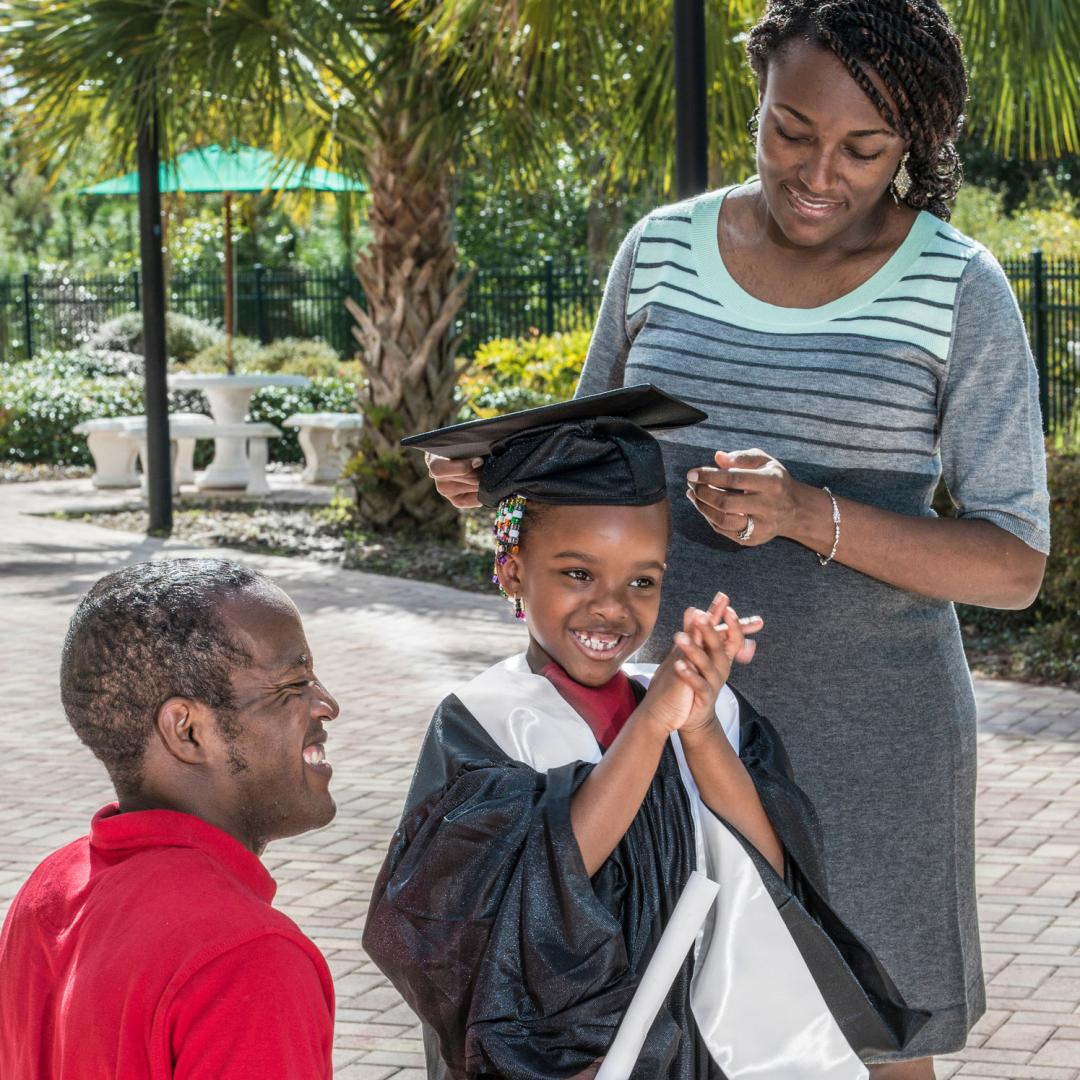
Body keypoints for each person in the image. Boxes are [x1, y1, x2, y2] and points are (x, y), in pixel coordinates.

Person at [427, 4, 1052, 1076]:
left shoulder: (961, 288)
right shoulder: (662, 248)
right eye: (788, 131)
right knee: (670, 1019)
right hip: (666, 726)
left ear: (917, 144)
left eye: (865, 149)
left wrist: (811, 512)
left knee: (871, 1034)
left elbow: (1014, 563)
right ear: (756, 101)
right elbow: (597, 464)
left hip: (872, 745)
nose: (818, 172)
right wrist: (500, 480)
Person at [368, 388, 926, 1080]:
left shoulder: (698, 710)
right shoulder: (486, 723)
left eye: (643, 580)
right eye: (577, 573)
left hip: (702, 1052)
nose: (611, 606)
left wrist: (696, 728)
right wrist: (651, 726)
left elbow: (772, 873)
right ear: (512, 569)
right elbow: (508, 906)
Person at [0, 559, 339, 1078]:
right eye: (293, 684)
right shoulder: (248, 958)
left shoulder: (48, 888)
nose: (326, 704)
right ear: (187, 731)